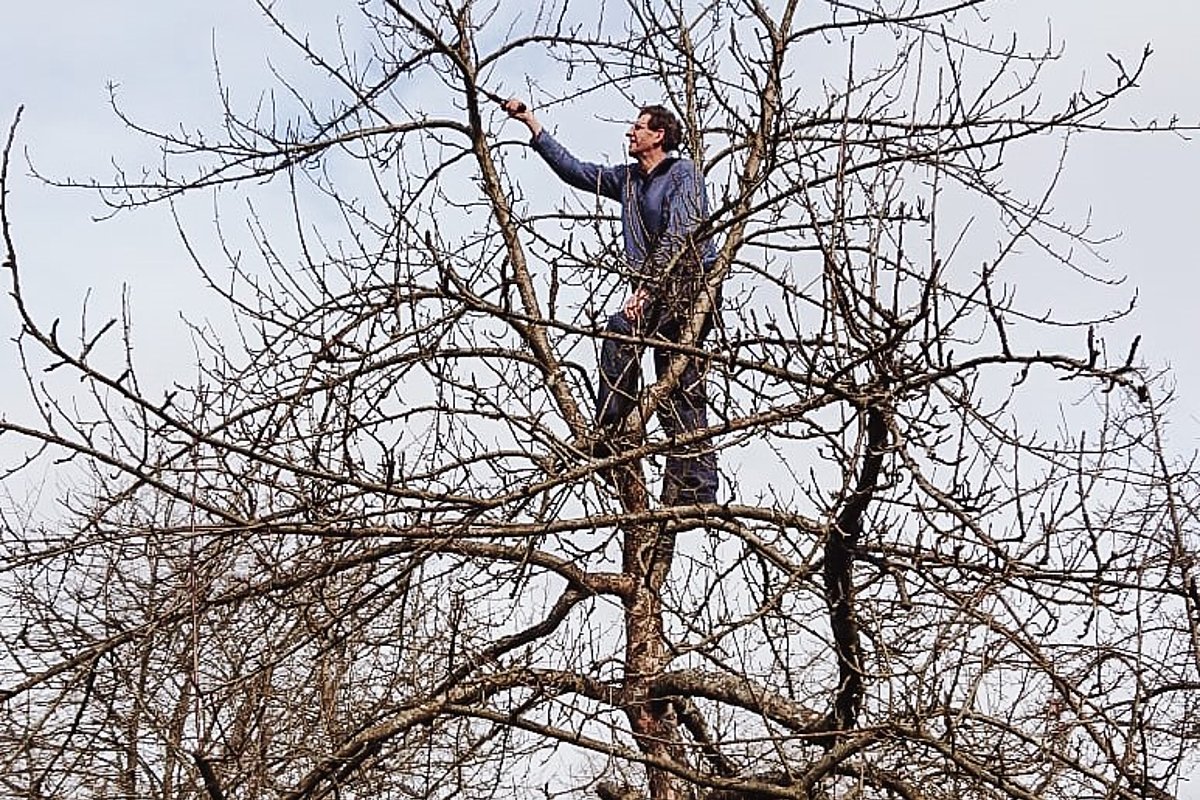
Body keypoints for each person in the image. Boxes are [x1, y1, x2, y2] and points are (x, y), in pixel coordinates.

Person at [504, 98, 719, 505]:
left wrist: (648, 289)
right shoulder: (628, 180)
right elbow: (577, 171)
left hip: (689, 283)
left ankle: (694, 487)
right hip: (655, 289)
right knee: (653, 360)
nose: (630, 133)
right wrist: (531, 124)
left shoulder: (684, 174)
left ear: (658, 135)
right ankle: (617, 434)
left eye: (638, 127)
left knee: (667, 370)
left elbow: (681, 235)